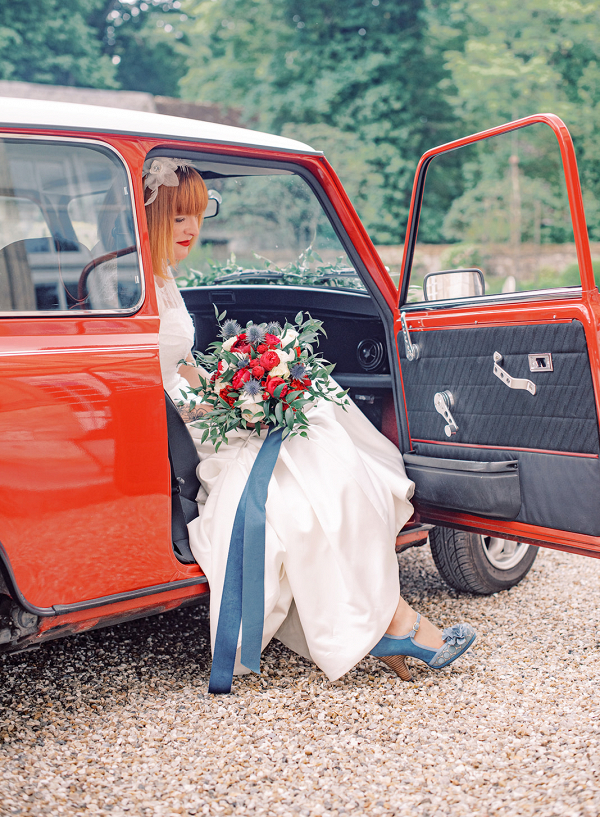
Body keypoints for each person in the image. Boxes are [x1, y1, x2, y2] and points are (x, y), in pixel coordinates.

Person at [145, 157, 476, 685]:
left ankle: (387, 620)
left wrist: (229, 384)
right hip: (177, 424)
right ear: (151, 214)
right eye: (179, 216)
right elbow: (147, 374)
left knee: (320, 417)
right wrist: (220, 402)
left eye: (199, 216)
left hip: (194, 404)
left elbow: (180, 363)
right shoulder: (130, 283)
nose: (192, 229)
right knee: (310, 475)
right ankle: (392, 623)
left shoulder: (159, 277)